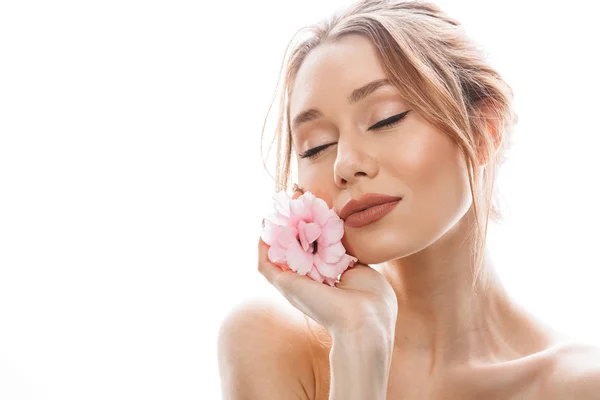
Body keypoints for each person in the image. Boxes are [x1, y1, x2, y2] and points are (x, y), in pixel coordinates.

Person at [217, 1, 600, 399]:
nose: (345, 164)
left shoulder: (582, 385)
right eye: (317, 147)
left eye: (386, 119)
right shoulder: (276, 344)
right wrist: (359, 342)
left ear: (485, 130)